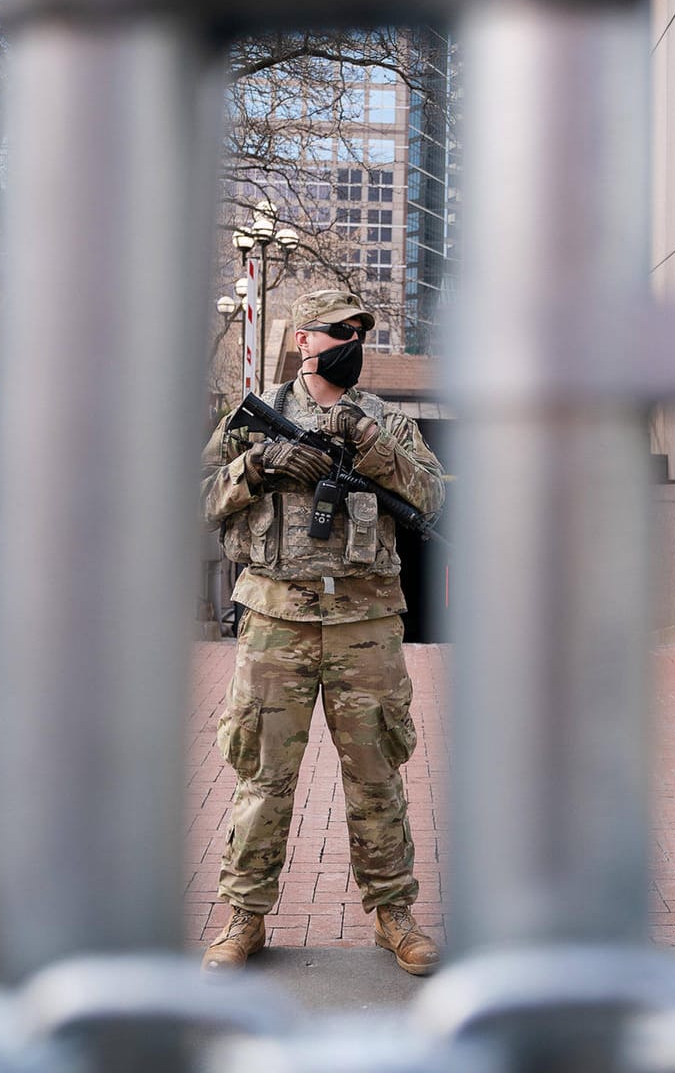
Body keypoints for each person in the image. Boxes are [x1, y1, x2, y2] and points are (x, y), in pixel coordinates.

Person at [199, 289, 445, 976]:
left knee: (376, 778)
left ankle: (393, 915)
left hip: (365, 625)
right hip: (276, 622)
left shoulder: (385, 421)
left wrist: (368, 449)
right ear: (303, 340)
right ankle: (243, 918)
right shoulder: (252, 420)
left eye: (360, 331)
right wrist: (257, 467)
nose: (352, 341)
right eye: (339, 330)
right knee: (263, 779)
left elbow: (431, 495)